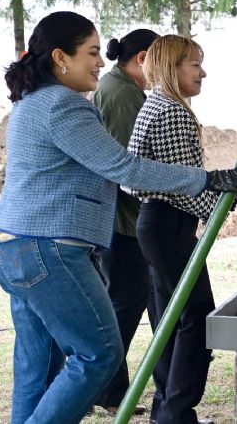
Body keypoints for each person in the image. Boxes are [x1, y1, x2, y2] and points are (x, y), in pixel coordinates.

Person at [0, 12, 237, 424]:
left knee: (37, 365)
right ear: (61, 58)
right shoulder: (64, 106)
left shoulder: (29, 103)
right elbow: (123, 167)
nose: (101, 61)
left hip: (16, 248)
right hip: (52, 251)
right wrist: (206, 180)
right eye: (92, 53)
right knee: (99, 355)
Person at [126, 34, 235, 424]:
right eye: (195, 64)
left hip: (156, 222)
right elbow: (182, 185)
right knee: (195, 315)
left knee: (168, 319)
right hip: (169, 222)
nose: (202, 73)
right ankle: (177, 411)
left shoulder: (155, 104)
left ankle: (167, 409)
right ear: (171, 68)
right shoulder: (172, 112)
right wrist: (221, 200)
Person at [90, 28, 159, 417]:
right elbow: (127, 166)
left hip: (126, 219)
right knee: (125, 301)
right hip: (123, 221)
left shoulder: (122, 88)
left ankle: (112, 388)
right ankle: (109, 389)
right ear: (144, 58)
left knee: (135, 299)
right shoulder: (120, 94)